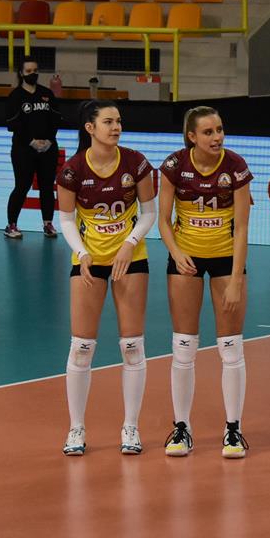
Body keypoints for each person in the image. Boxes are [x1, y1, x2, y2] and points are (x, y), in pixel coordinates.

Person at [55, 100, 158, 456]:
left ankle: (131, 427)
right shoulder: (72, 170)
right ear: (90, 128)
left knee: (132, 346)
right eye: (109, 122)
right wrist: (82, 252)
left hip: (130, 260)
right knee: (81, 348)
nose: (116, 127)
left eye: (119, 121)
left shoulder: (135, 162)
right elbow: (66, 219)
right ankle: (76, 429)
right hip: (89, 262)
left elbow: (149, 213)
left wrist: (129, 244)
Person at [155, 106, 253, 460]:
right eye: (208, 132)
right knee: (183, 345)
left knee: (231, 346)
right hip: (186, 259)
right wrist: (176, 252)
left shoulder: (235, 166)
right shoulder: (174, 165)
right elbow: (163, 219)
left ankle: (233, 429)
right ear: (192, 137)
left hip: (226, 258)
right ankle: (182, 427)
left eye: (219, 130)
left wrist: (236, 279)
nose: (217, 137)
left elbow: (242, 227)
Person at [4, 59, 61, 239]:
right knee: (22, 186)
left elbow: (55, 120)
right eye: (29, 71)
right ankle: (11, 225)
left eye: (35, 70)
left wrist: (49, 140)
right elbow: (13, 124)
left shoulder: (47, 94)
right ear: (21, 73)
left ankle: (48, 223)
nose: (33, 74)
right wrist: (31, 141)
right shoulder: (15, 96)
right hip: (23, 150)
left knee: (47, 187)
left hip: (48, 149)